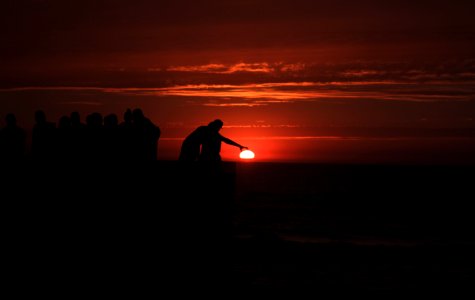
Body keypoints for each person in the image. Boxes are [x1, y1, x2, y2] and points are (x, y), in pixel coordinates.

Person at [179, 119, 247, 161]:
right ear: (216, 126)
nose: (219, 129)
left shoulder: (210, 131)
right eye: (219, 128)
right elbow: (225, 140)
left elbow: (225, 140)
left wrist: (239, 146)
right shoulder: (206, 130)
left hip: (191, 146)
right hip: (190, 146)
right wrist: (239, 146)